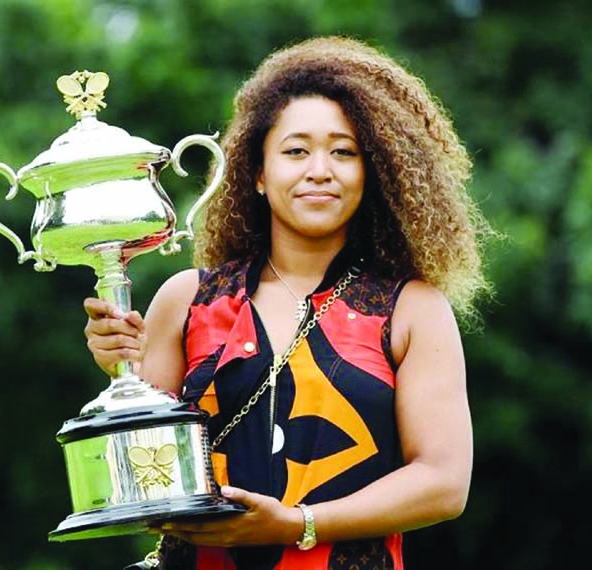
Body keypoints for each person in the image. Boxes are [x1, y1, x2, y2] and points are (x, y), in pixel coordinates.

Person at [84, 35, 493, 570]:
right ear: (256, 172)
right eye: (296, 150)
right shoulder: (186, 300)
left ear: (372, 173)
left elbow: (443, 483)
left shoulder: (413, 309)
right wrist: (120, 373)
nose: (320, 170)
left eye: (343, 151)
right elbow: (146, 479)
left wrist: (299, 525)